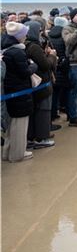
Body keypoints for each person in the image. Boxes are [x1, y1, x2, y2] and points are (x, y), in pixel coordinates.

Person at [1, 22, 35, 162]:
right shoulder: (18, 52)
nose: (26, 36)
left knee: (10, 126)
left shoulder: (6, 50)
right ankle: (17, 154)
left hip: (10, 91)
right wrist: (33, 65)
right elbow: (25, 72)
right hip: (19, 91)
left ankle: (7, 152)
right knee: (20, 125)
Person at [25, 21, 55, 148]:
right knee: (43, 110)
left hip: (34, 85)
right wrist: (52, 56)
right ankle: (41, 138)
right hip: (42, 84)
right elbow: (45, 65)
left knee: (34, 112)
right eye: (39, 31)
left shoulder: (26, 45)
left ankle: (32, 137)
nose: (41, 33)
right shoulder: (34, 47)